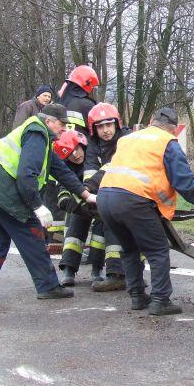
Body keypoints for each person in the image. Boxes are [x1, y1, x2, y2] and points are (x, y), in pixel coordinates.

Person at [96, 107, 194, 315]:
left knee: (129, 249)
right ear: (173, 130)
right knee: (157, 250)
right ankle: (160, 300)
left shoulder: (128, 138)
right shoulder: (167, 143)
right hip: (134, 201)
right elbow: (187, 186)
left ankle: (137, 297)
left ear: (150, 121)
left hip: (105, 198)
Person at [0, 103, 96, 303]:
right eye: (62, 124)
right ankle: (48, 286)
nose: (64, 129)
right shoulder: (37, 134)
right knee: (32, 234)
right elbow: (26, 175)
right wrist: (37, 206)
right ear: (49, 120)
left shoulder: (39, 135)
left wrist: (85, 194)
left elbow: (60, 169)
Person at [58, 103, 132, 290]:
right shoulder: (92, 146)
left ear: (117, 124)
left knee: (108, 215)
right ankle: (69, 268)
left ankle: (112, 272)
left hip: (127, 191)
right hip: (101, 193)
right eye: (100, 126)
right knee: (78, 216)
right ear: (93, 129)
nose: (106, 130)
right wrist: (81, 201)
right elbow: (90, 176)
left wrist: (85, 194)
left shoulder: (126, 139)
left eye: (109, 125)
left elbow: (110, 169)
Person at [56, 65, 99, 136]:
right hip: (83, 145)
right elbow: (99, 130)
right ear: (88, 84)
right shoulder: (87, 105)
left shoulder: (58, 103)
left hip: (61, 145)